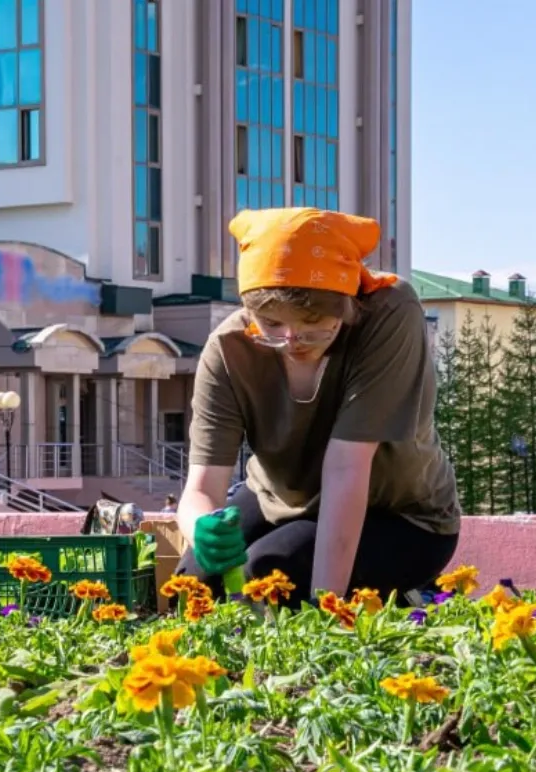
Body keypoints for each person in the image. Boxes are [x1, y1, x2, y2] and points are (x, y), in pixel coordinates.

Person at [174, 207, 460, 606]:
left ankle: (404, 599)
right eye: (272, 324)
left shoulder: (389, 314)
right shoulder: (228, 349)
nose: (293, 341)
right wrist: (201, 528)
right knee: (193, 588)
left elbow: (347, 465)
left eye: (313, 323)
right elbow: (201, 488)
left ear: (347, 302)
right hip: (280, 500)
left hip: (399, 515)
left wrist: (326, 610)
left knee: (269, 579)